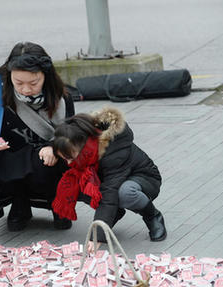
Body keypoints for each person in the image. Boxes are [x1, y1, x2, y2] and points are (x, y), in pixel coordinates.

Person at [0, 41, 75, 231]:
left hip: (47, 161)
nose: (26, 89)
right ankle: (19, 201)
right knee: (12, 159)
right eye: (18, 83)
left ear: (45, 76)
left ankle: (58, 201)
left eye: (33, 83)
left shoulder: (62, 96)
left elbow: (72, 132)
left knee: (52, 158)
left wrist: (55, 146)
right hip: (10, 158)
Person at [52, 106, 166, 253]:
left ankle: (153, 216)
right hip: (114, 181)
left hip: (145, 178)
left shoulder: (113, 150)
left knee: (124, 193)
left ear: (82, 144)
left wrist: (97, 236)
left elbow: (109, 191)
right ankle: (115, 212)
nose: (68, 163)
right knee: (77, 182)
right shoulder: (81, 145)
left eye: (70, 157)